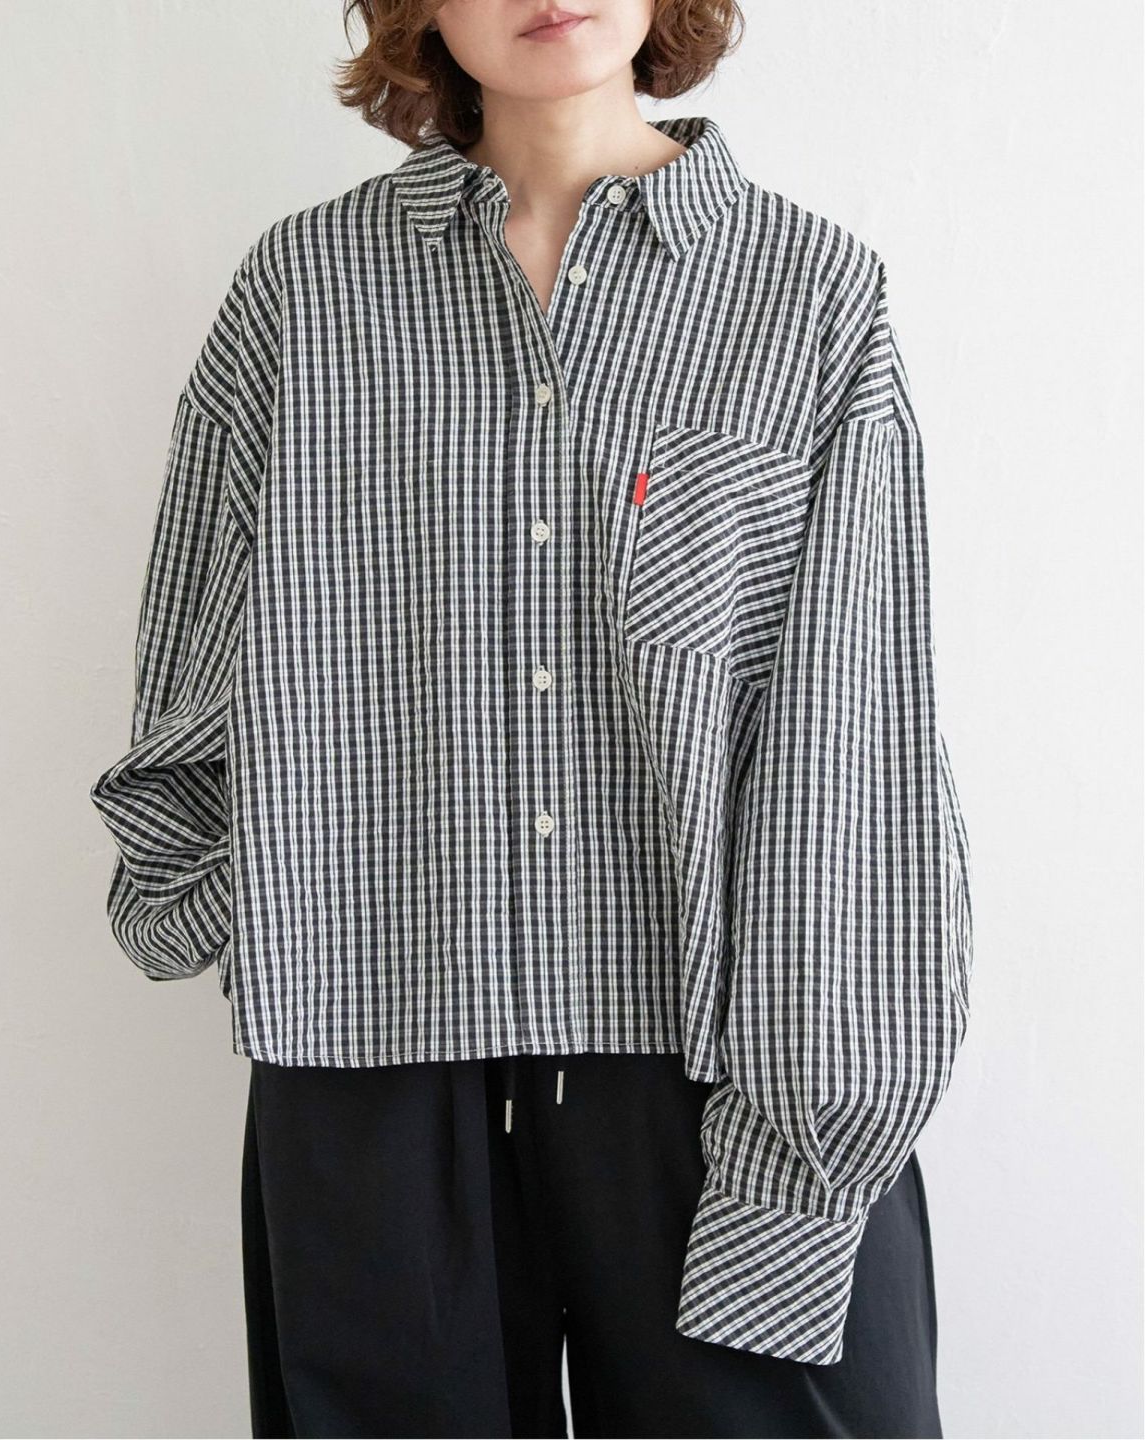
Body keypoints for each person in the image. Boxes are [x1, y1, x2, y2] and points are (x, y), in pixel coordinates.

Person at [89, 0, 975, 1435]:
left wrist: (809, 1131)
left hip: (722, 1064)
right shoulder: (303, 292)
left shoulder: (806, 294)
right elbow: (191, 656)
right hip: (371, 1050)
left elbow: (855, 746)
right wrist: (245, 901)